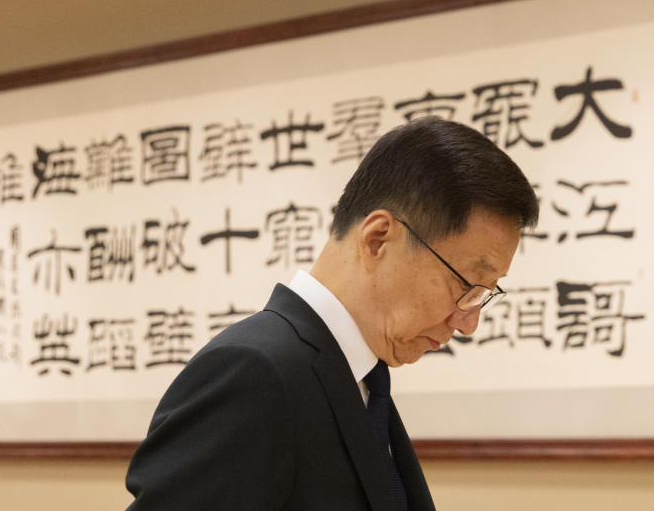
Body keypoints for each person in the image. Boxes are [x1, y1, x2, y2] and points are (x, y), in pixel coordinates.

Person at [125, 117, 538, 510]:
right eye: (465, 284)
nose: (468, 322)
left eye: (484, 294)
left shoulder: (360, 378)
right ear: (378, 239)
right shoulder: (254, 371)